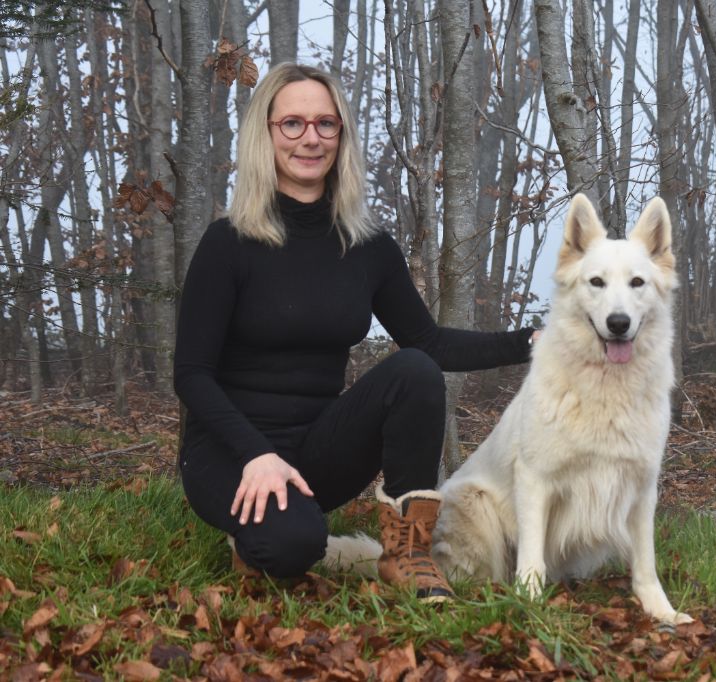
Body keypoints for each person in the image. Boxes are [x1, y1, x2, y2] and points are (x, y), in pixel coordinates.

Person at [173, 62, 534, 602]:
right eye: (292, 124)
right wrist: (255, 454)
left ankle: (407, 553)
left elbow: (430, 344)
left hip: (317, 448)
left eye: (326, 123)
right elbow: (191, 374)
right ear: (265, 134)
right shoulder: (228, 242)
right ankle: (259, 531)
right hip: (229, 451)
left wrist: (533, 341)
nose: (311, 138)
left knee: (415, 369)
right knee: (293, 547)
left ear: (341, 135)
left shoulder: (368, 247)